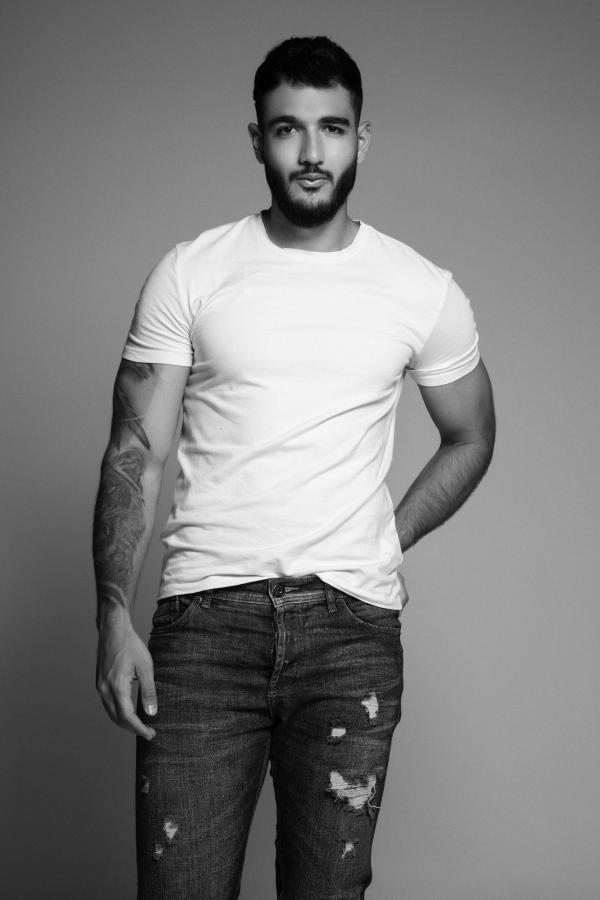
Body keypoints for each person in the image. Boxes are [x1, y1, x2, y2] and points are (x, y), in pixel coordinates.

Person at [93, 35, 495, 900]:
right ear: (257, 140)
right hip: (203, 629)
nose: (312, 152)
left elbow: (471, 436)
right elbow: (135, 451)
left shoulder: (421, 289)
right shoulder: (192, 272)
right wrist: (113, 618)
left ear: (362, 139)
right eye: (288, 129)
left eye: (332, 129)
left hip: (350, 636)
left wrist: (389, 535)